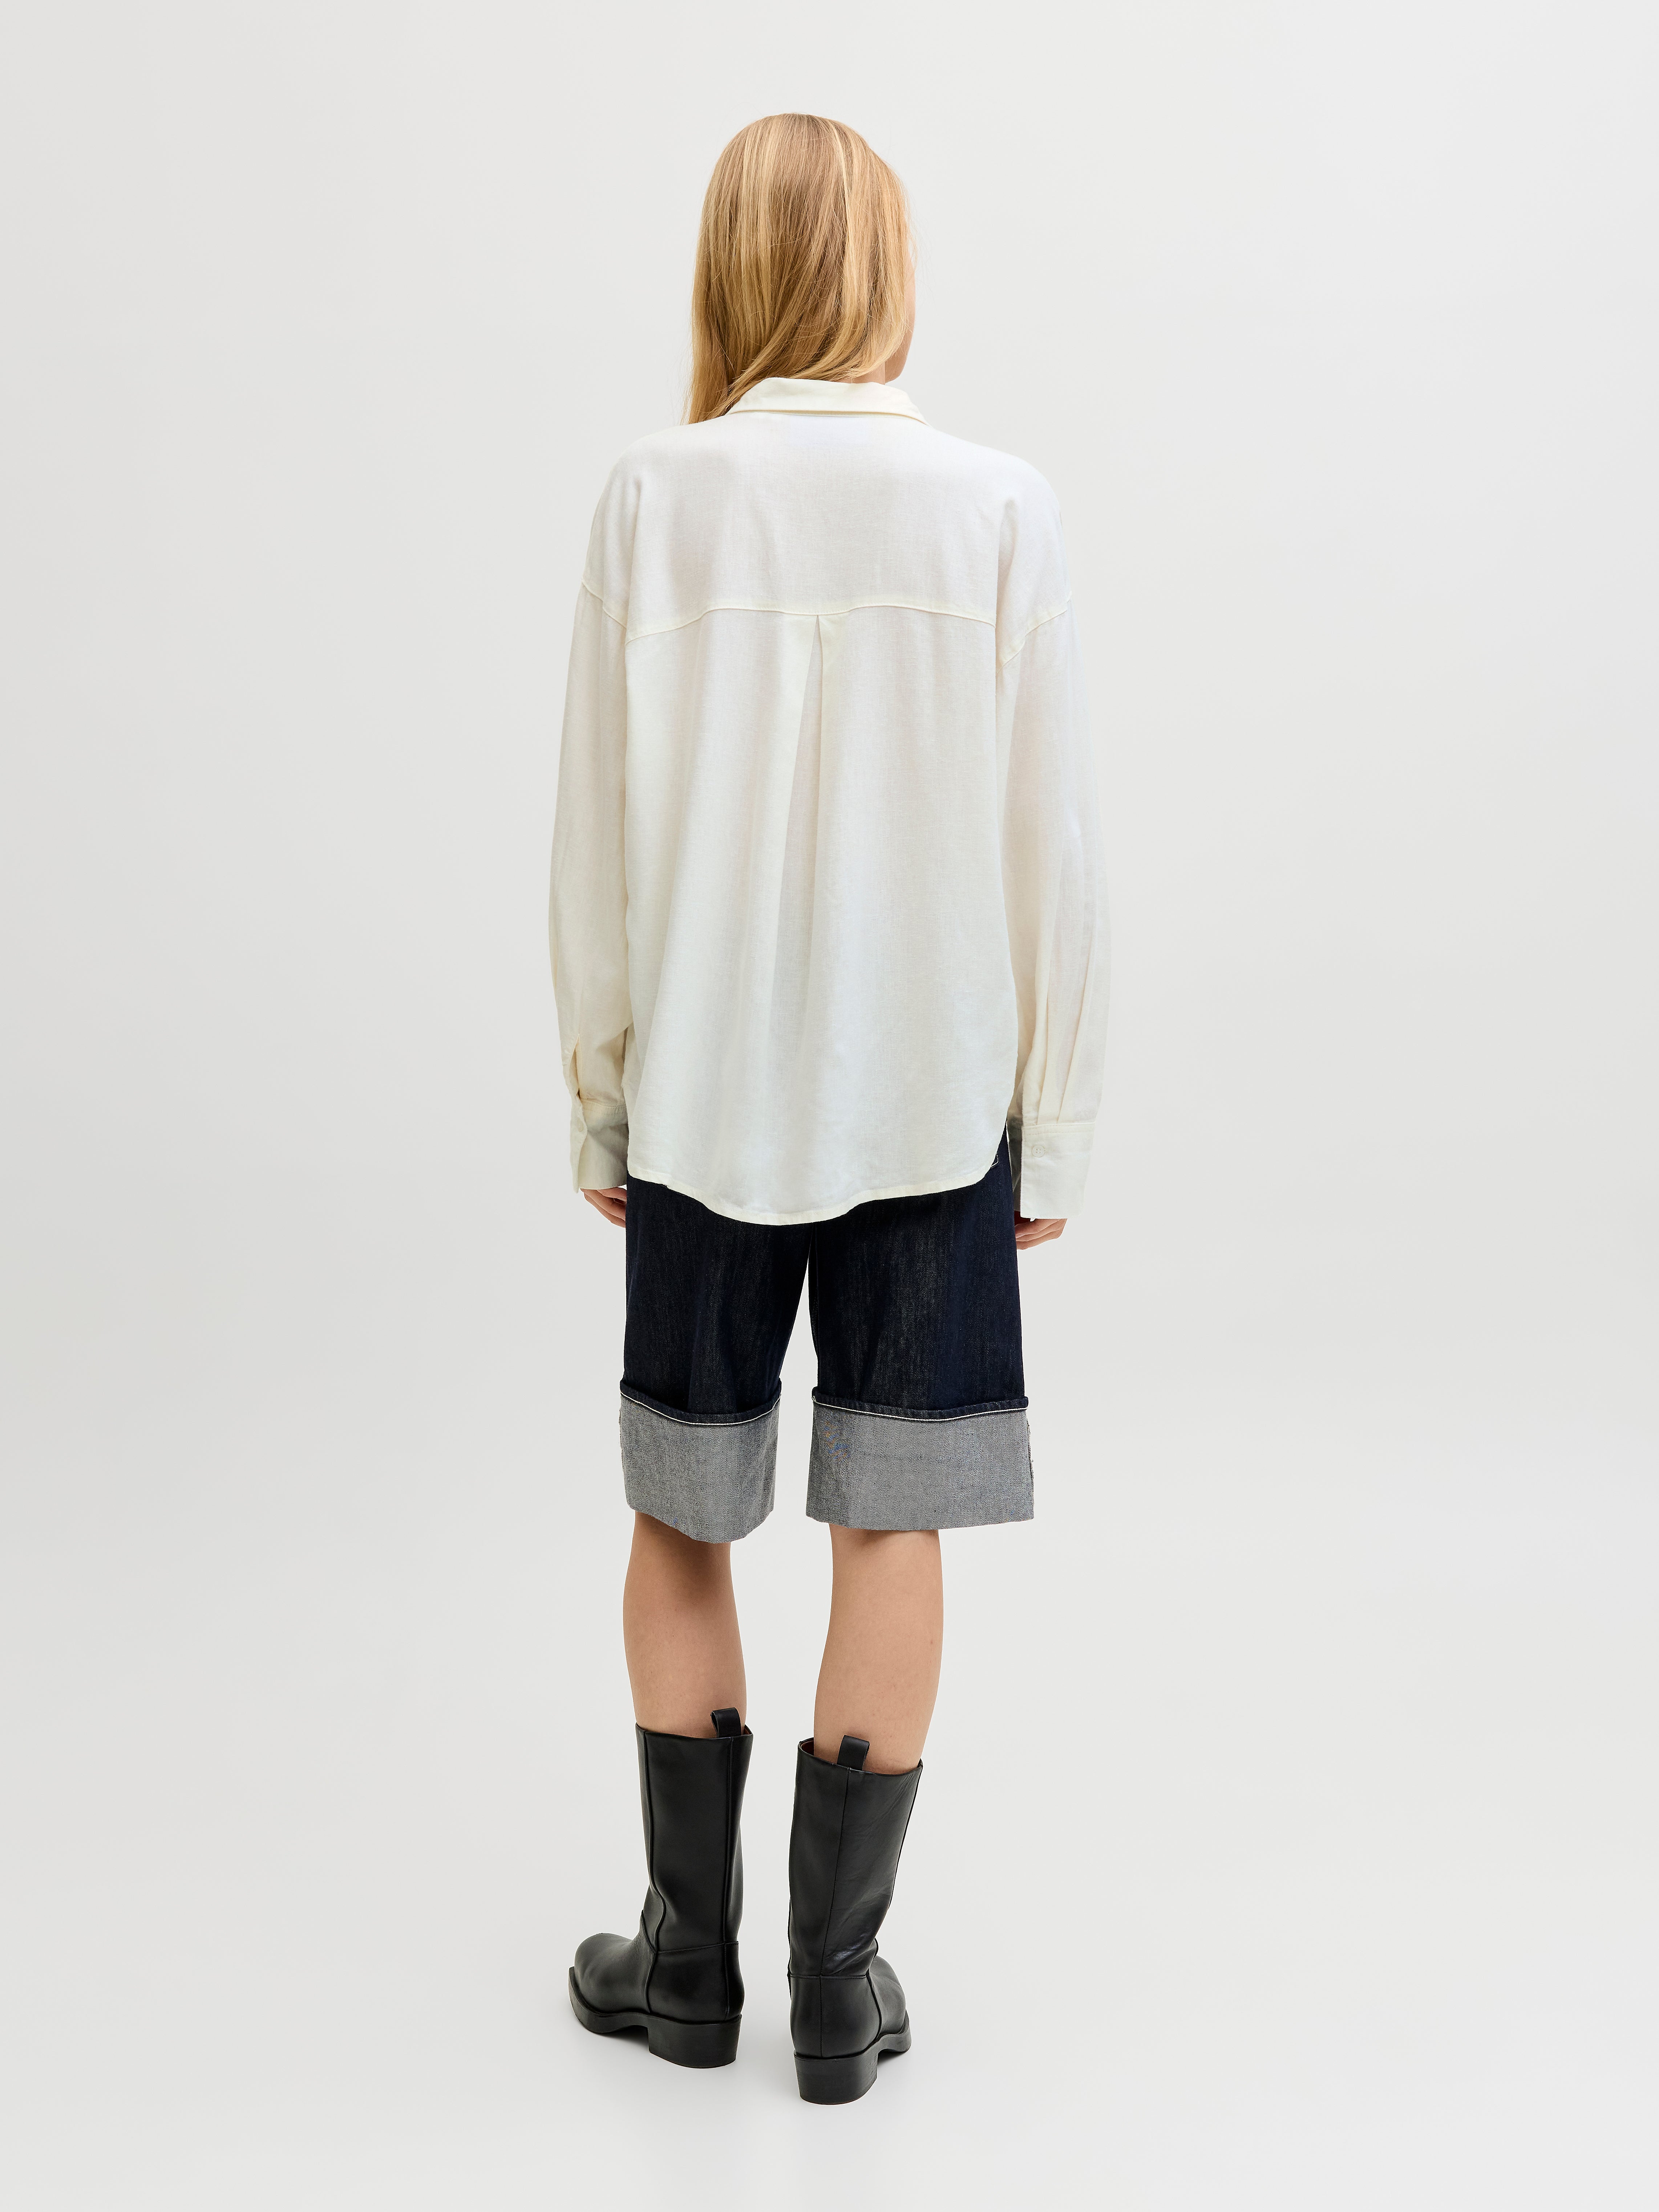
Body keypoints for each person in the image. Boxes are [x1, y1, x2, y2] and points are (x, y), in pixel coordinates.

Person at [549, 112, 1106, 2104]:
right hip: (932, 1106)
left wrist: (603, 1095)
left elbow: (596, 839)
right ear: (888, 269)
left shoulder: (654, 495)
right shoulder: (998, 508)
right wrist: (1054, 1118)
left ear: (726, 269)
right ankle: (836, 1994)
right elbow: (1052, 845)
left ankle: (689, 1970)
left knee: (680, 1511)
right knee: (892, 1523)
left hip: (705, 1099)